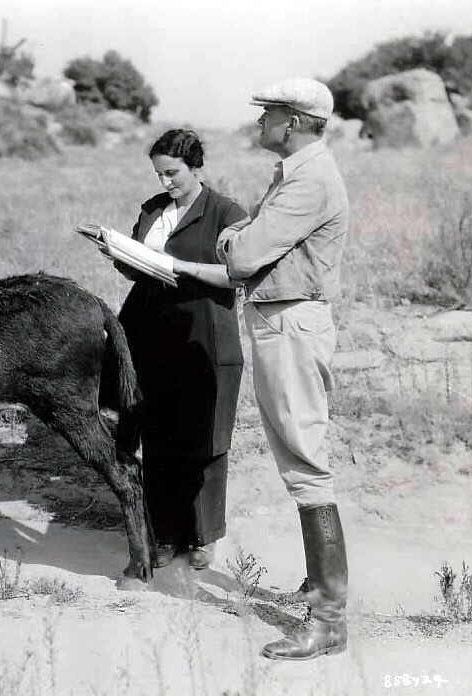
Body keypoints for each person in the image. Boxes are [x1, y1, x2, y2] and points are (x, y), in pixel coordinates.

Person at [217, 78, 349, 660]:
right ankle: (319, 591)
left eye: (268, 114)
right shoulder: (297, 172)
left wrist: (233, 239)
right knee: (299, 457)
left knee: (304, 463)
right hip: (283, 319)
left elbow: (245, 256)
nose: (260, 123)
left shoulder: (310, 176)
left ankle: (328, 619)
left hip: (291, 323)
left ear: (293, 121)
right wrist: (241, 238)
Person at [115, 129, 247, 572]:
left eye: (173, 173)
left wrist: (182, 267)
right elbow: (139, 264)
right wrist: (121, 254)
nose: (165, 181)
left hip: (203, 333)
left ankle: (204, 537)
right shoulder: (153, 209)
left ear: (196, 168)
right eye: (159, 173)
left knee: (206, 437)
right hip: (150, 332)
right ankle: (168, 534)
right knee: (158, 436)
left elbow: (237, 274)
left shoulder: (227, 212)